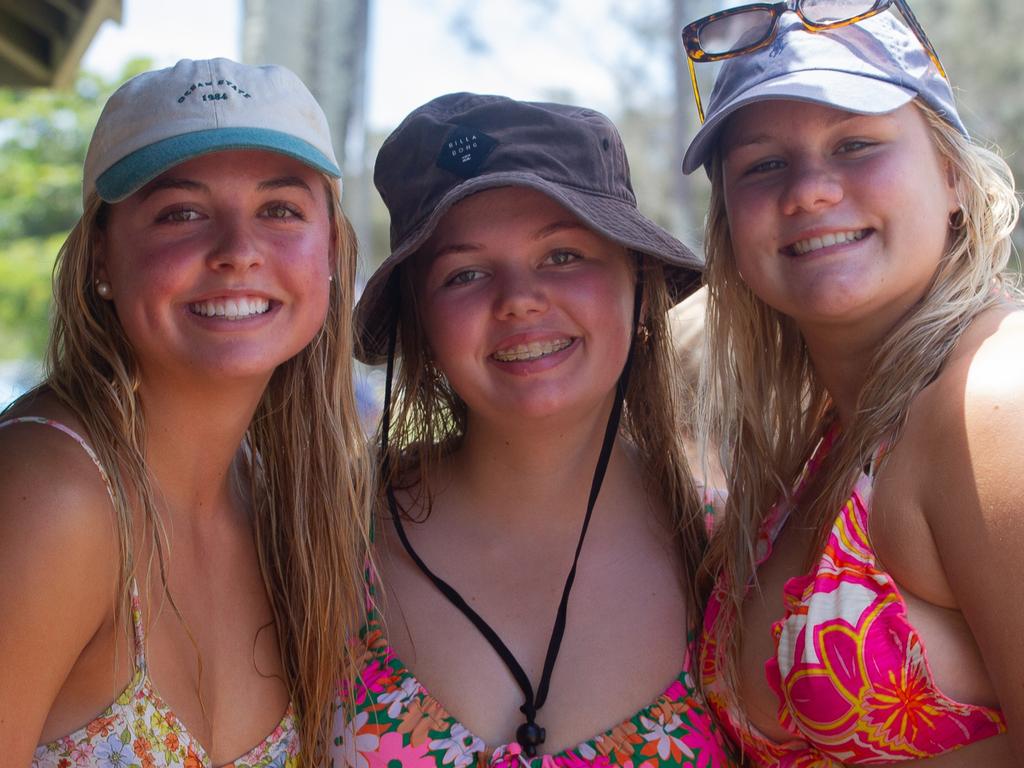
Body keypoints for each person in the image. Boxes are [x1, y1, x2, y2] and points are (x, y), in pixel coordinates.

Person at [333, 93, 734, 767]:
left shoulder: (733, 559)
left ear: (637, 282)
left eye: (563, 256)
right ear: (421, 327)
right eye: (464, 273)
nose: (519, 298)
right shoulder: (326, 538)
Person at [0, 58, 371, 766]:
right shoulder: (51, 496)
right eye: (182, 213)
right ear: (101, 258)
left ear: (330, 251)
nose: (238, 251)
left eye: (280, 209)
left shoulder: (280, 504)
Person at [680, 3, 1023, 765]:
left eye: (856, 143)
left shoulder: (995, 398)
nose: (808, 190)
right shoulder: (827, 441)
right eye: (764, 163)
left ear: (952, 176)